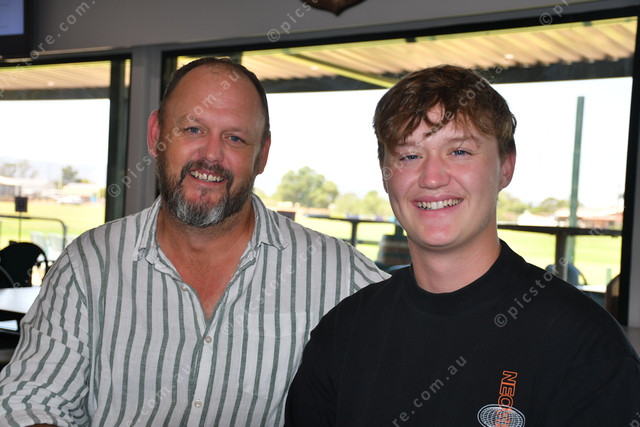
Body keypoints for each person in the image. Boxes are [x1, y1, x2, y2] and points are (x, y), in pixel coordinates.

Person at [0, 57, 387, 426]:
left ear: (261, 155)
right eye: (193, 130)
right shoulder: (89, 264)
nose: (211, 155)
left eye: (235, 138)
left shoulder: (338, 275)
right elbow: (29, 403)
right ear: (156, 135)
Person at [285, 64, 640, 426]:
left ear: (506, 167)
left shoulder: (588, 347)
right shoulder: (343, 333)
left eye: (459, 152)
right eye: (409, 156)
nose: (432, 178)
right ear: (385, 173)